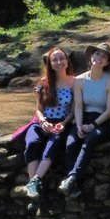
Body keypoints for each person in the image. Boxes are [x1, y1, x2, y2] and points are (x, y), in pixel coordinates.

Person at [60, 43, 110, 197]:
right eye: (97, 54)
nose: (100, 58)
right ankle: (73, 186)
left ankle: (72, 178)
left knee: (89, 141)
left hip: (102, 122)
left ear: (107, 62)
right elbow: (78, 105)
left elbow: (109, 111)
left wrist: (92, 126)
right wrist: (79, 125)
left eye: (104, 56)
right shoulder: (79, 80)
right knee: (71, 143)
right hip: (83, 117)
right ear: (91, 57)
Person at [21, 46, 77, 199]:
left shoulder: (74, 82)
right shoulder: (43, 82)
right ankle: (34, 187)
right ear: (50, 64)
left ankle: (34, 182)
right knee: (32, 143)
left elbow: (73, 111)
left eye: (61, 58)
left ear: (67, 61)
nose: (59, 62)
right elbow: (38, 109)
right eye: (54, 60)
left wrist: (64, 123)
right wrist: (43, 121)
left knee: (53, 144)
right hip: (42, 122)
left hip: (61, 123)